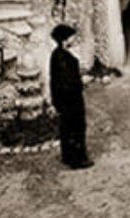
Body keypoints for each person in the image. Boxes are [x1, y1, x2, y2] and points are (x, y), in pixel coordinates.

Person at [50, 24, 92, 169]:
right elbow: (68, 82)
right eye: (71, 36)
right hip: (70, 99)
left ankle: (68, 156)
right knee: (76, 126)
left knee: (67, 127)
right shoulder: (62, 57)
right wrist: (82, 82)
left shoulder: (58, 54)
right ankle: (77, 159)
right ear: (64, 39)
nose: (74, 39)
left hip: (64, 99)